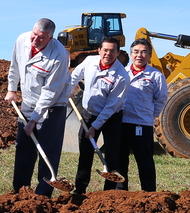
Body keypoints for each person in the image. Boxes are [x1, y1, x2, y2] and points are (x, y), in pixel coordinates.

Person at [5, 18, 71, 196]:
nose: (35, 40)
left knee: (47, 151)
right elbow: (15, 66)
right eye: (34, 34)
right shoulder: (22, 40)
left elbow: (50, 92)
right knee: (24, 147)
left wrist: (34, 119)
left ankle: (43, 195)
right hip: (28, 102)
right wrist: (12, 89)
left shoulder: (59, 56)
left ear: (51, 38)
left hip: (52, 107)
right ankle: (21, 190)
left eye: (41, 38)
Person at [69, 37, 128, 194]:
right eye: (105, 50)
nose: (108, 53)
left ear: (118, 52)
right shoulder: (90, 61)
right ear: (99, 50)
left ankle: (108, 192)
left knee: (112, 154)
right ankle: (80, 188)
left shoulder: (121, 76)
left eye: (112, 51)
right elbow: (75, 75)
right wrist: (68, 91)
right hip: (89, 114)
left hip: (111, 118)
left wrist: (95, 127)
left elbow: (111, 107)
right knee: (85, 152)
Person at [118, 38, 168, 191]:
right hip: (121, 123)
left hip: (142, 125)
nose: (139, 55)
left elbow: (161, 99)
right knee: (120, 160)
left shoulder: (156, 76)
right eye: (136, 52)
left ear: (149, 55)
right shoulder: (122, 72)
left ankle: (148, 192)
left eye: (144, 52)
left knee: (144, 160)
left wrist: (147, 115)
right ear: (131, 54)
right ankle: (120, 192)